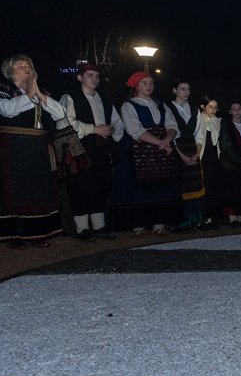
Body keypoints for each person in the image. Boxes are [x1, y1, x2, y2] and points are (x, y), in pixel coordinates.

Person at [0, 54, 66, 247]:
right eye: (20, 66)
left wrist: (38, 93)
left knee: (38, 189)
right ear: (11, 71)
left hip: (37, 147)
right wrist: (29, 94)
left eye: (28, 65)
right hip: (14, 146)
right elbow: (7, 110)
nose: (26, 68)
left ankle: (37, 233)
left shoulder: (41, 92)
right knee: (16, 189)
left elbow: (60, 113)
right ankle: (16, 235)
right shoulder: (5, 90)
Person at [108, 72, 182, 235]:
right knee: (137, 188)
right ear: (136, 85)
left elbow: (172, 125)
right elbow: (135, 129)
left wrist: (168, 139)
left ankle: (159, 223)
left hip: (160, 150)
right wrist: (160, 142)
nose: (149, 86)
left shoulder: (161, 105)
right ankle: (138, 225)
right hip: (137, 151)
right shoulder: (129, 105)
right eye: (144, 83)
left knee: (161, 186)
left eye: (151, 83)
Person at [57, 62, 124, 241]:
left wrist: (111, 130)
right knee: (80, 187)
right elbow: (65, 123)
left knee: (101, 185)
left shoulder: (105, 99)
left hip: (101, 149)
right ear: (80, 77)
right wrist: (93, 129)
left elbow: (118, 123)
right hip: (80, 150)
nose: (94, 79)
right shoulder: (70, 97)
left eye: (97, 76)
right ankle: (82, 229)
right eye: (89, 75)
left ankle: (99, 226)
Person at [166, 79, 212, 231]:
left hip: (192, 148)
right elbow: (168, 134)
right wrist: (181, 156)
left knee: (195, 184)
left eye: (188, 89)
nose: (186, 92)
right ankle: (181, 222)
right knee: (180, 185)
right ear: (175, 90)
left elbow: (199, 133)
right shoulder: (168, 108)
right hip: (176, 149)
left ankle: (197, 220)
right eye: (182, 89)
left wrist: (197, 153)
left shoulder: (194, 109)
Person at [218, 101, 241, 227]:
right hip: (231, 163)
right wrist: (239, 160)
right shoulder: (226, 125)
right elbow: (224, 145)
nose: (237, 111)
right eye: (234, 109)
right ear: (230, 112)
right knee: (232, 191)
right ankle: (233, 218)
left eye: (239, 108)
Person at [195, 96, 225, 225]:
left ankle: (212, 217)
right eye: (210, 107)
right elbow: (197, 137)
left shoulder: (218, 121)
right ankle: (203, 218)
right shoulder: (198, 119)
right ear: (203, 107)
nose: (213, 110)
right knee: (203, 185)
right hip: (203, 156)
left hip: (214, 157)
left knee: (214, 187)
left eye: (215, 108)